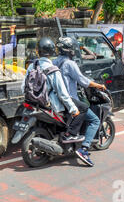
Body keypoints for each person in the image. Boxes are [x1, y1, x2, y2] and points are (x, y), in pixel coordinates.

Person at [23, 37, 87, 143]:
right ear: (53, 51)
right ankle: (71, 134)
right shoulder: (53, 70)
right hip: (51, 104)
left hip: (33, 101)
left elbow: (23, 86)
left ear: (37, 51)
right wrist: (73, 110)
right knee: (83, 108)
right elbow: (63, 94)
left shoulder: (32, 66)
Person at [54, 37, 107, 166]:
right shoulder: (69, 64)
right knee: (94, 120)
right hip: (69, 99)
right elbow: (83, 81)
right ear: (69, 49)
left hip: (56, 98)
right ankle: (84, 149)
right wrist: (99, 86)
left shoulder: (55, 62)